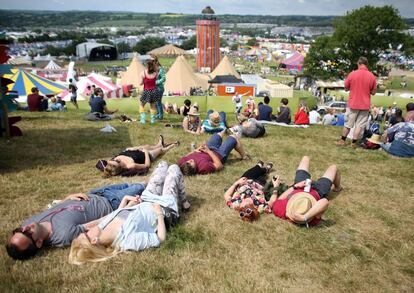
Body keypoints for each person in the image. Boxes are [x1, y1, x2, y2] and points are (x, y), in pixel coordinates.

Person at [68, 161, 189, 265]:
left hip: (147, 198)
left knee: (163, 165)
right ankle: (183, 201)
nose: (87, 230)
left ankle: (179, 197)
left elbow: (119, 213)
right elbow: (160, 238)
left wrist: (128, 201)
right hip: (165, 207)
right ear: (94, 240)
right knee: (173, 168)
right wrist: (159, 214)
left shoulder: (102, 226)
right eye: (86, 233)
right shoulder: (127, 241)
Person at [5, 182, 146, 260]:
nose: (25, 228)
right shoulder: (63, 235)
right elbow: (99, 223)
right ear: (39, 242)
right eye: (27, 233)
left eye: (19, 230)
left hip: (96, 192)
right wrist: (123, 207)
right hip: (111, 202)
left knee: (132, 183)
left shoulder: (30, 223)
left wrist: (67, 197)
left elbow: (55, 208)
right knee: (142, 186)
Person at [268, 156, 342, 227]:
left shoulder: (280, 210)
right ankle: (338, 187)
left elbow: (280, 199)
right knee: (333, 167)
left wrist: (295, 186)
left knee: (305, 158)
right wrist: (304, 217)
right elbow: (325, 201)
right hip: (318, 190)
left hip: (300, 185)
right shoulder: (311, 219)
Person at [336, 57, 376, 148]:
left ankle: (342, 140)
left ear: (358, 63)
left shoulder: (352, 74)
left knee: (348, 124)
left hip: (353, 103)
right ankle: (353, 143)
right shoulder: (371, 76)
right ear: (367, 64)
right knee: (359, 125)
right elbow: (373, 92)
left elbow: (346, 88)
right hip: (365, 104)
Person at [103, 135, 179, 177]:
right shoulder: (130, 165)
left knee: (148, 145)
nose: (114, 160)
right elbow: (147, 165)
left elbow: (108, 162)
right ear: (120, 166)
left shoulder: (112, 162)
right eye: (116, 161)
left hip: (135, 150)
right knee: (160, 150)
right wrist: (145, 152)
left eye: (112, 161)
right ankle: (171, 146)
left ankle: (159, 144)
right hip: (146, 155)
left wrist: (133, 148)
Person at [178, 131, 249, 175]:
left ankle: (225, 130)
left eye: (188, 162)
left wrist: (195, 150)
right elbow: (219, 166)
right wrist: (208, 151)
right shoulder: (204, 167)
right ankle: (244, 156)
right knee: (233, 137)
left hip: (208, 147)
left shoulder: (182, 163)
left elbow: (186, 156)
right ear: (194, 170)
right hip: (219, 154)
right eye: (191, 164)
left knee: (218, 134)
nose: (190, 161)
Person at [139, 59, 158, 124]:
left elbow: (140, 83)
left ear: (146, 65)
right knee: (153, 106)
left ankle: (143, 119)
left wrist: (143, 81)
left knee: (141, 105)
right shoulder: (156, 73)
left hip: (146, 91)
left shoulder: (143, 73)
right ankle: (153, 120)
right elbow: (155, 81)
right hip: (154, 91)